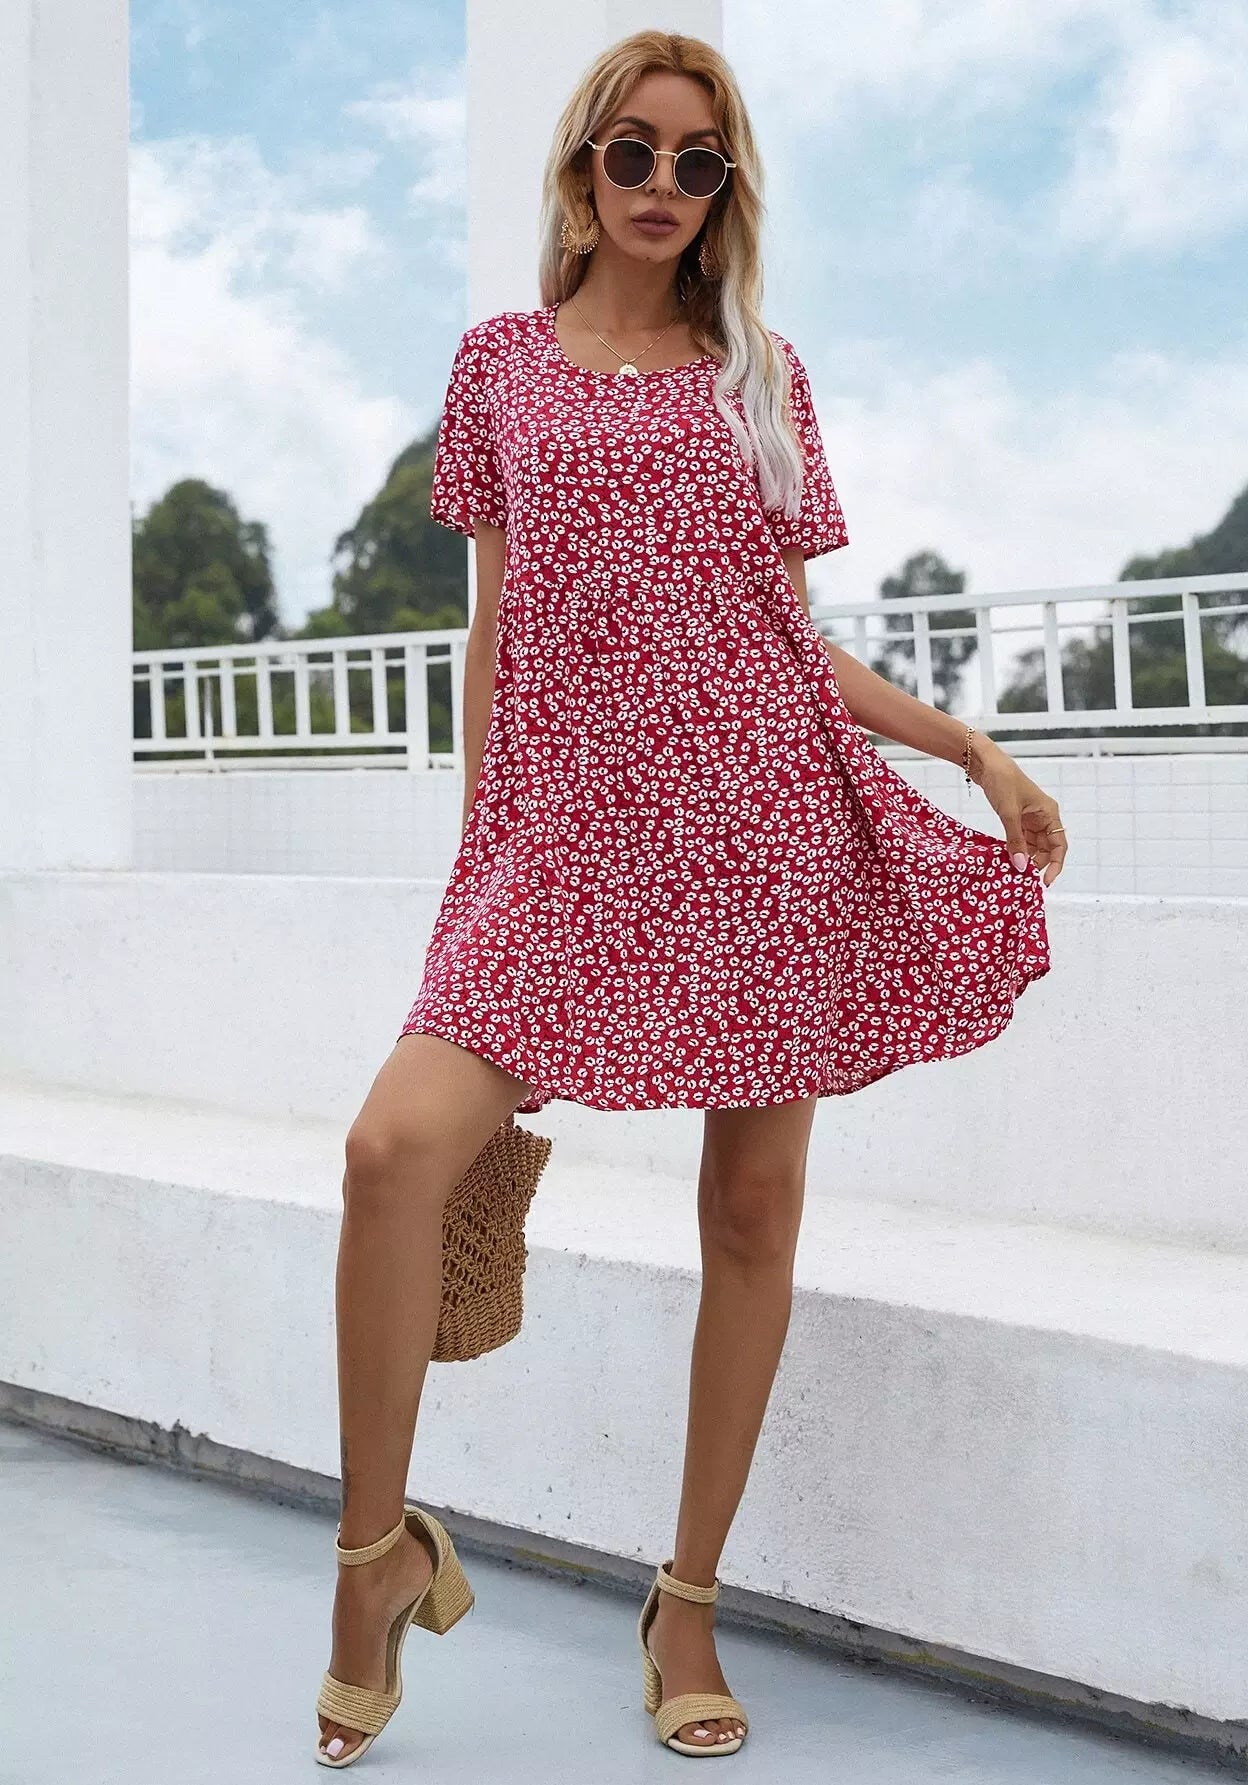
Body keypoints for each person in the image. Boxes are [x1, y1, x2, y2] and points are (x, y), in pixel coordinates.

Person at [315, 27, 1062, 1770]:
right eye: (633, 151)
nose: (662, 183)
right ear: (582, 169)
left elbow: (782, 640)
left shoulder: (759, 375)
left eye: (697, 161)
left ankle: (688, 1603)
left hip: (762, 830)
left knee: (750, 1210)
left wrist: (970, 749)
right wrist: (482, 848)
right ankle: (373, 1558)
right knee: (391, 1150)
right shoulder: (499, 367)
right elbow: (495, 629)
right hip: (564, 846)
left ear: (727, 194)